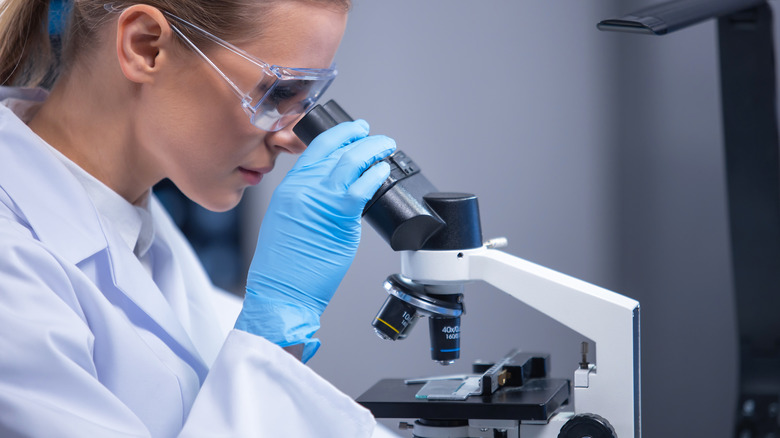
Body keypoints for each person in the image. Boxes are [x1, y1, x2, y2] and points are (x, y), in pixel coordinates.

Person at [0, 0, 397, 436]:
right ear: (145, 46)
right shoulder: (11, 263)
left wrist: (277, 333)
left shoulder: (133, 225)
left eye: (311, 97)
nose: (293, 138)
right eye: (280, 92)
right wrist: (279, 322)